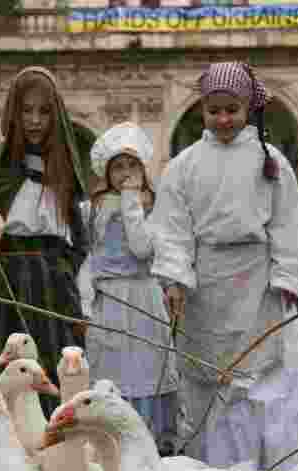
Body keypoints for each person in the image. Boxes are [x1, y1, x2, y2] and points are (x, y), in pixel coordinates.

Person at [149, 61, 298, 471]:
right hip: (205, 289)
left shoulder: (272, 162)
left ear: (248, 108)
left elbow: (289, 222)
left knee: (264, 378)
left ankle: (272, 469)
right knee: (210, 380)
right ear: (202, 111)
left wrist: (288, 278)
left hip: (258, 284)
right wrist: (174, 278)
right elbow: (172, 229)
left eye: (232, 109)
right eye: (215, 111)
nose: (224, 119)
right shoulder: (183, 166)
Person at [0, 66, 95, 412]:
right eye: (26, 111)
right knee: (4, 371)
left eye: (43, 112)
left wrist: (83, 305)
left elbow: (78, 243)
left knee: (50, 371)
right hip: (3, 285)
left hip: (52, 288)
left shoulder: (65, 171)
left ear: (56, 115)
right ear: (13, 113)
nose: (34, 120)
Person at [76, 121, 178, 451]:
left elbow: (142, 248)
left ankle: (151, 444)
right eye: (118, 166)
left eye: (132, 165)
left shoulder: (151, 203)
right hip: (110, 300)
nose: (125, 173)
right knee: (115, 369)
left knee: (147, 367)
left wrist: (131, 202)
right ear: (106, 172)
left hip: (143, 298)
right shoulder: (92, 208)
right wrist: (85, 302)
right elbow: (87, 256)